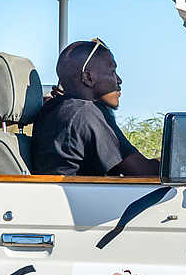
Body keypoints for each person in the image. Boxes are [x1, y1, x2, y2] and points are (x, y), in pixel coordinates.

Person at [29, 38, 158, 177]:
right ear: (88, 77)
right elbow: (142, 172)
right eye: (112, 71)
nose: (119, 80)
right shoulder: (85, 113)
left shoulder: (53, 110)